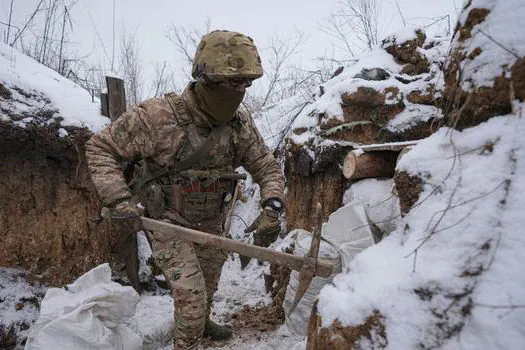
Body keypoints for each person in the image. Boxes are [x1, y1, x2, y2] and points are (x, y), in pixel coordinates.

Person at [85, 30, 285, 349]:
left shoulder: (240, 122)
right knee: (191, 295)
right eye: (234, 83)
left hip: (212, 221)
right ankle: (187, 341)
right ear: (206, 78)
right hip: (168, 222)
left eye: (247, 84)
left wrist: (272, 204)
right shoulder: (158, 116)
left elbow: (265, 164)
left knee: (208, 284)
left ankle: (203, 324)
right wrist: (119, 200)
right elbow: (101, 147)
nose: (241, 92)